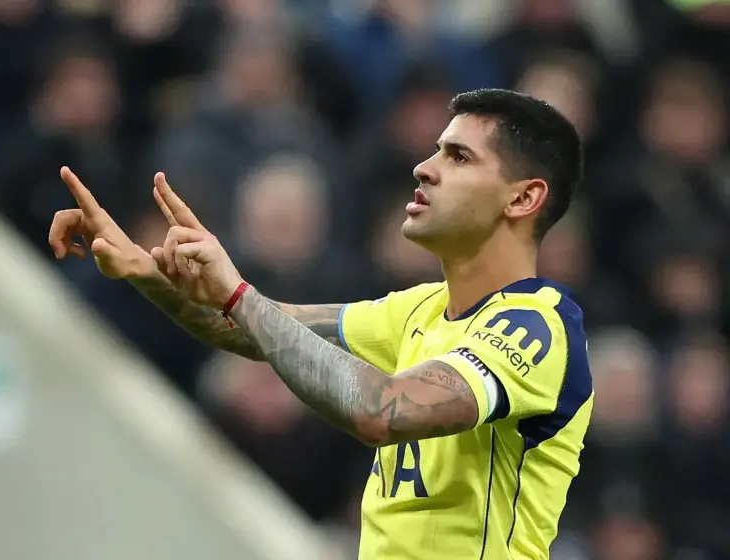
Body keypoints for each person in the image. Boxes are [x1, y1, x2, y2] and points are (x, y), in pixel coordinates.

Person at [48, 88, 593, 560]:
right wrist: (145, 271)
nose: (425, 168)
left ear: (523, 197)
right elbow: (248, 329)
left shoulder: (535, 326)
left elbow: (384, 410)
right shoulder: (419, 309)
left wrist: (238, 295)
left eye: (459, 157)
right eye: (435, 150)